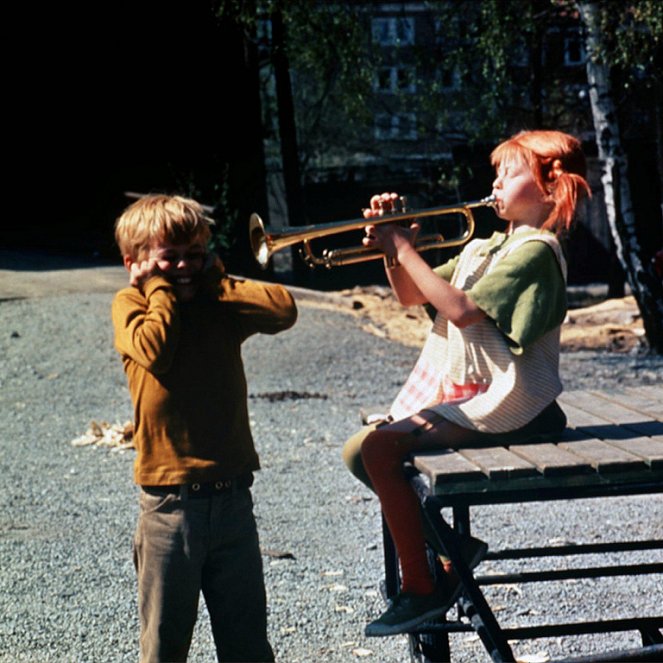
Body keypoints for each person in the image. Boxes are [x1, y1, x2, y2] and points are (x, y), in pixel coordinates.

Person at [342, 130, 591, 637]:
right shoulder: (486, 248)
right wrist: (394, 249)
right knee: (359, 451)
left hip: (516, 400)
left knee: (380, 450)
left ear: (551, 187)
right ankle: (450, 551)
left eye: (510, 173)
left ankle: (422, 589)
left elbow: (459, 310)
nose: (495, 182)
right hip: (480, 393)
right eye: (495, 173)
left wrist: (402, 245)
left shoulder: (537, 251)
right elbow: (414, 295)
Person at [111, 194, 298, 662]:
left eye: (194, 255)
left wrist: (217, 276)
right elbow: (155, 350)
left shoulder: (218, 303)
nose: (183, 267)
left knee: (247, 644)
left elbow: (282, 310)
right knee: (164, 645)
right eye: (168, 257)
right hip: (170, 507)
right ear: (134, 263)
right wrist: (157, 289)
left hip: (233, 498)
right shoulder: (130, 304)